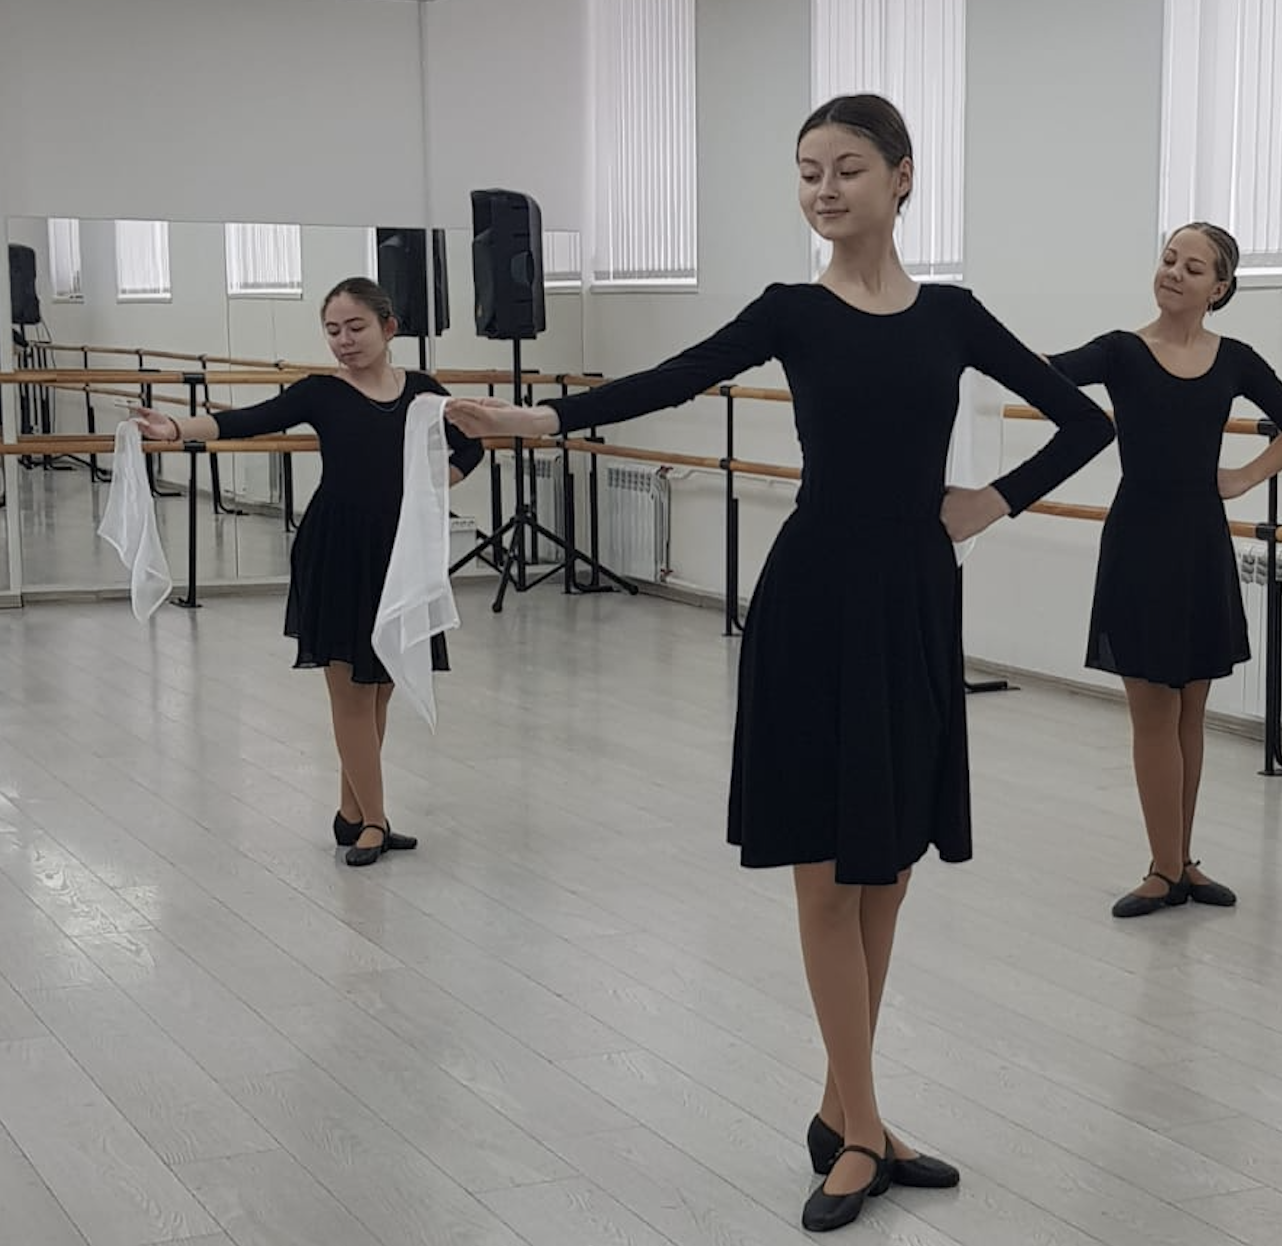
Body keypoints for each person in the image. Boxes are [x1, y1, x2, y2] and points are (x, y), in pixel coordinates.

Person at [445, 93, 1114, 1234]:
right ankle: (862, 1129)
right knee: (827, 871)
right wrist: (543, 421)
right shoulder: (790, 312)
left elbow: (1085, 423)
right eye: (807, 171)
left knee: (889, 866)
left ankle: (845, 1111)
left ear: (902, 177)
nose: (822, 189)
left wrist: (992, 500)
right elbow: (671, 378)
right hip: (814, 596)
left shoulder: (952, 316)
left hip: (913, 595)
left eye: (846, 168)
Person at [127, 277, 483, 867]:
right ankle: (375, 822)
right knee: (351, 691)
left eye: (356, 327)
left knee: (381, 686)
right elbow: (249, 419)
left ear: (389, 327)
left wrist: (439, 481)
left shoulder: (423, 393)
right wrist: (177, 428)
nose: (344, 340)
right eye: (333, 330)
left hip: (398, 552)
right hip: (336, 548)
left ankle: (351, 812)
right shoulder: (322, 392)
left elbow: (471, 441)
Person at [1043, 222, 1282, 918]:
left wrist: (1245, 476)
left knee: (1191, 711)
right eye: (1168, 259)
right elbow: (1045, 371)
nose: (1173, 273)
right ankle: (1163, 867)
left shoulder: (1235, 359)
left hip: (1200, 545)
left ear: (1218, 288)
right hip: (1139, 543)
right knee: (1154, 713)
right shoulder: (1121, 351)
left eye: (1192, 268)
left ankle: (1181, 861)